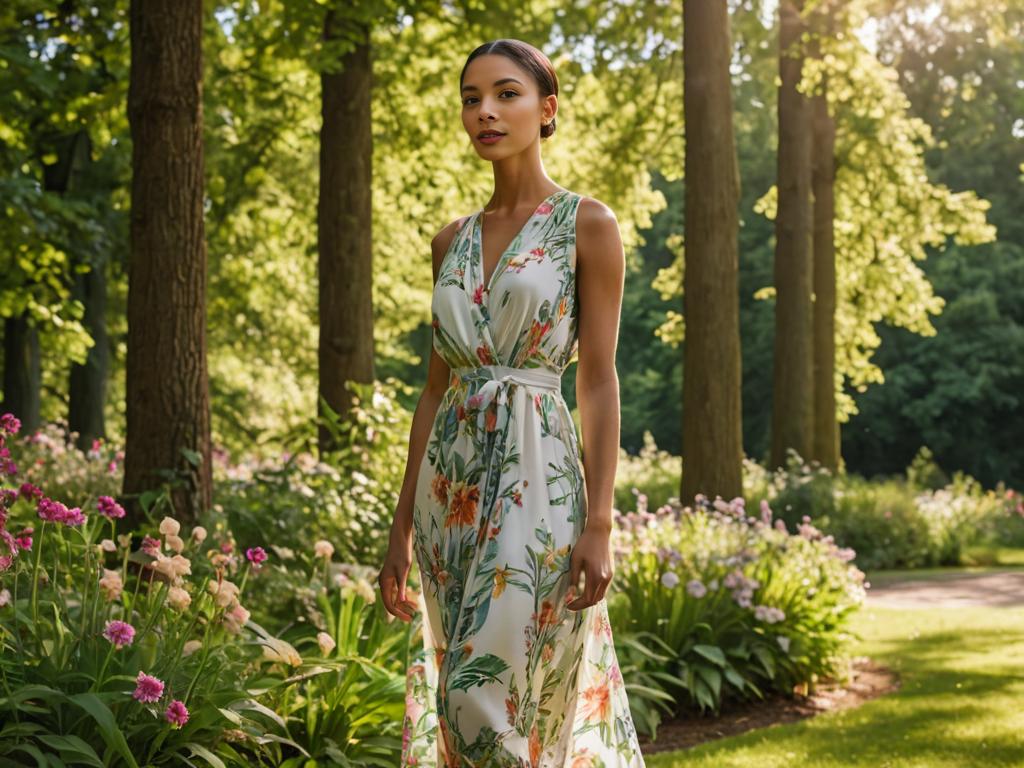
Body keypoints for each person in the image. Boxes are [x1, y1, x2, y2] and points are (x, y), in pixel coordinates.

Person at [378, 38, 646, 767]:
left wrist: (600, 522)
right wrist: (401, 526)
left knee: (483, 692)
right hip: (450, 491)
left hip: (539, 476)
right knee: (464, 699)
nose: (485, 112)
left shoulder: (587, 224)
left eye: (505, 94)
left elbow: (596, 379)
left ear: (546, 108)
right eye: (471, 98)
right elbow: (434, 389)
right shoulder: (449, 241)